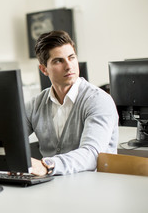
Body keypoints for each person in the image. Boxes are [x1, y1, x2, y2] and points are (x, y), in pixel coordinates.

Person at [27, 30, 118, 176]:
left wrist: (48, 165)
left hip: (95, 188)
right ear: (44, 69)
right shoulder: (35, 104)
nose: (69, 66)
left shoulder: (98, 100)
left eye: (71, 58)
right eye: (58, 61)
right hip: (53, 187)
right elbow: (10, 138)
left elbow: (92, 155)